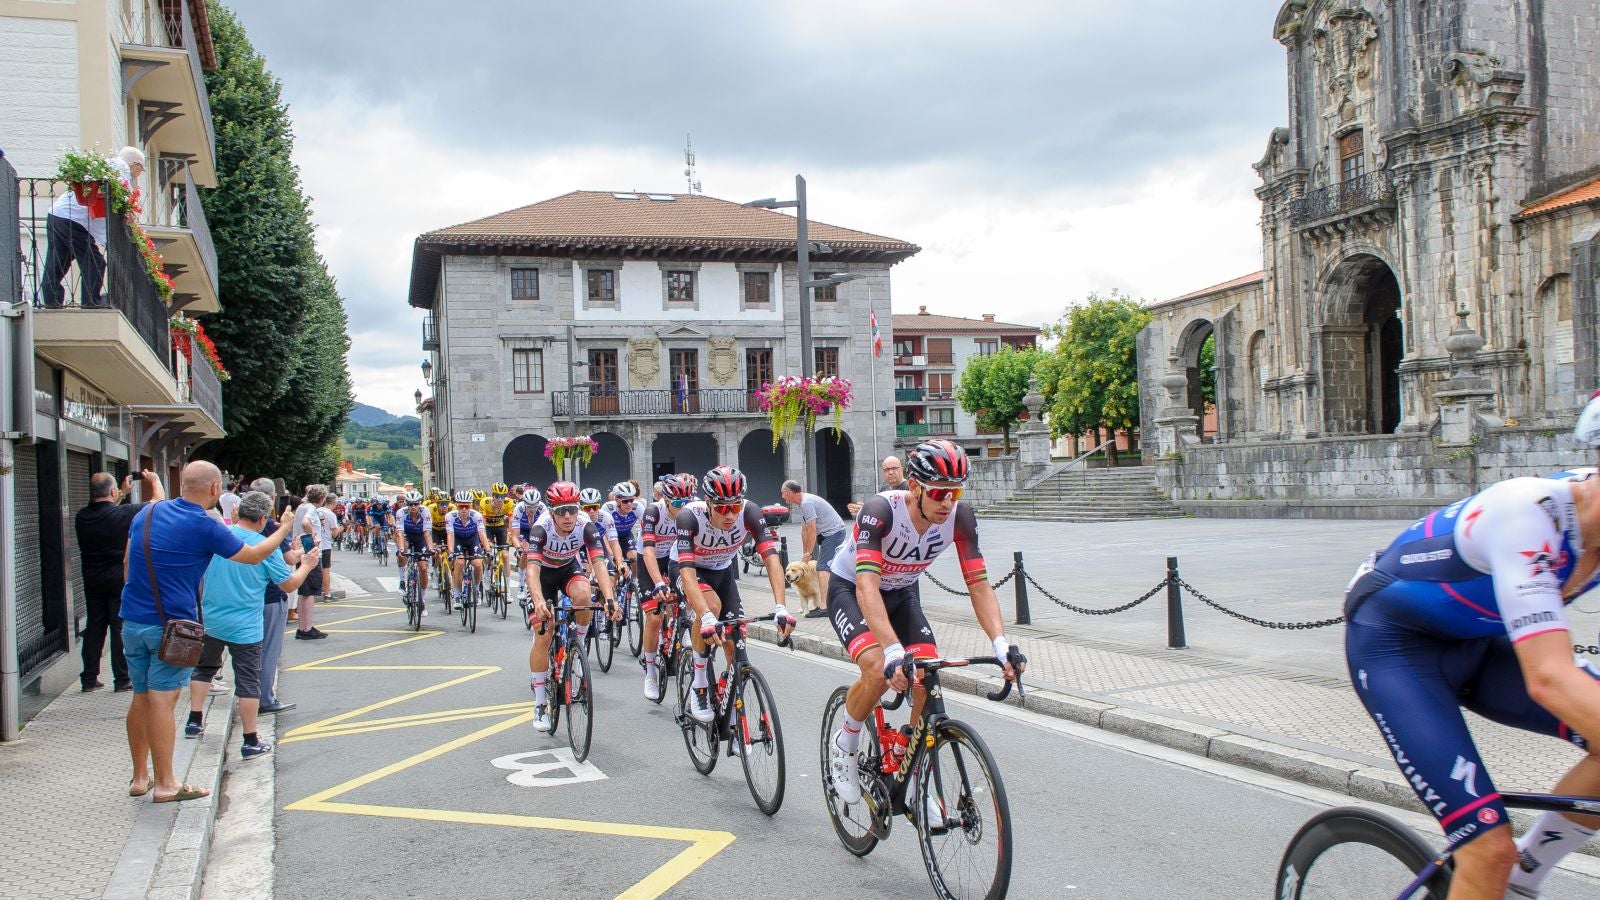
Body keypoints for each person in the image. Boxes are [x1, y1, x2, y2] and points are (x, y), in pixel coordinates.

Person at [1340, 399, 1600, 900]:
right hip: (1395, 647)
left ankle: (1524, 876)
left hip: (1480, 640)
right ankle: (1498, 866)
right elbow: (1549, 677)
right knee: (1486, 850)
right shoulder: (1530, 513)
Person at [823, 440, 1023, 813]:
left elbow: (978, 584)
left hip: (900, 594)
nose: (948, 502)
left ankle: (911, 770)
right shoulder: (881, 510)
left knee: (928, 670)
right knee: (877, 669)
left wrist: (1000, 643)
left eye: (955, 492)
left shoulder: (960, 518)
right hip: (851, 589)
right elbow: (867, 586)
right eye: (940, 493)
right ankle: (845, 743)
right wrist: (892, 651)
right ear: (914, 487)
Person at [120, 461, 295, 803]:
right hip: (170, 627)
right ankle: (166, 783)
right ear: (216, 489)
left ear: (183, 484)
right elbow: (254, 554)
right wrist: (283, 528)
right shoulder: (204, 525)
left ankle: (140, 776)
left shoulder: (148, 514)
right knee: (162, 699)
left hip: (132, 621)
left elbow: (132, 551)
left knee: (140, 696)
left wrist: (155, 483)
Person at [184, 491, 321, 758]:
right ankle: (249, 740)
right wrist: (306, 564)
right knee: (248, 682)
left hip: (212, 617)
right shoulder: (263, 547)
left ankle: (194, 720)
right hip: (245, 624)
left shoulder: (218, 536)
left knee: (204, 669)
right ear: (261, 519)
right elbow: (289, 584)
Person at [676, 466, 795, 723]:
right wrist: (706, 617)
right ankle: (699, 685)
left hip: (722, 571)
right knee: (711, 606)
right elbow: (686, 573)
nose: (730, 514)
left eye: (735, 507)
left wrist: (781, 607)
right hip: (691, 570)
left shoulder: (750, 512)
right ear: (707, 503)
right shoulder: (689, 517)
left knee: (736, 640)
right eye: (721, 508)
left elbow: (772, 559)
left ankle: (731, 703)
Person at [523, 482, 617, 731]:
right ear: (552, 511)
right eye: (561, 510)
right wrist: (539, 601)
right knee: (544, 634)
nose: (567, 516)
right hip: (543, 575)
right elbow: (531, 570)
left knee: (585, 595)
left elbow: (598, 562)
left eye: (572, 510)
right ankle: (541, 703)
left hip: (567, 569)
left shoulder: (586, 524)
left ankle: (579, 645)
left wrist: (609, 599)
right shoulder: (540, 528)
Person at [75, 469, 165, 691]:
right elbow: (158, 503)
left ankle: (88, 679)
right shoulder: (123, 515)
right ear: (113, 491)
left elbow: (106, 508)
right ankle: (122, 679)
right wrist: (154, 480)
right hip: (118, 578)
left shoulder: (82, 516)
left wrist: (122, 492)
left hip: (91, 578)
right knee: (118, 627)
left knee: (95, 626)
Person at [38, 146, 143, 308]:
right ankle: (90, 301)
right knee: (95, 261)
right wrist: (128, 213)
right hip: (73, 220)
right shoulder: (121, 166)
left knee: (58, 260)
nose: (139, 173)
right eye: (141, 169)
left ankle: (52, 301)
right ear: (135, 164)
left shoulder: (107, 165)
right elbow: (122, 199)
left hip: (59, 214)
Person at [637, 474, 693, 699]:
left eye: (686, 503)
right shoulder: (653, 512)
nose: (683, 508)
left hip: (676, 559)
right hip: (650, 559)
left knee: (689, 597)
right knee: (654, 618)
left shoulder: (692, 512)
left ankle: (683, 627)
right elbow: (648, 550)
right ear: (666, 501)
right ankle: (650, 671)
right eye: (678, 504)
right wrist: (659, 582)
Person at [249, 477, 300, 714]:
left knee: (249, 650)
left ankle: (249, 695)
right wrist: (305, 553)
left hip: (247, 596)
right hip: (270, 594)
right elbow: (288, 560)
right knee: (269, 649)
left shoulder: (238, 527)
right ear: (271, 499)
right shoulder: (271, 527)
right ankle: (265, 699)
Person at [782, 479, 849, 618]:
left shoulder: (806, 503)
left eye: (783, 493)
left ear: (789, 492)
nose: (782, 497)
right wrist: (805, 553)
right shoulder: (802, 504)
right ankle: (830, 603)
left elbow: (811, 530)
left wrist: (809, 552)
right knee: (827, 568)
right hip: (827, 534)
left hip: (834, 533)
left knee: (822, 568)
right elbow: (804, 529)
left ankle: (824, 607)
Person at [293, 485, 329, 640]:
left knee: (303, 592)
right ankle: (307, 628)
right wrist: (313, 537)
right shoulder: (311, 510)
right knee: (310, 593)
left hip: (300, 552)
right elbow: (306, 522)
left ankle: (302, 627)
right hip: (310, 553)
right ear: (321, 499)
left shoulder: (301, 506)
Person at [446, 489, 490, 609]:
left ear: (470, 506)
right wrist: (451, 552)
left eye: (466, 506)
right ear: (457, 506)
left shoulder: (476, 515)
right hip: (458, 540)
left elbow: (481, 533)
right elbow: (450, 534)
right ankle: (457, 594)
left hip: (472, 540)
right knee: (459, 562)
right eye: (461, 506)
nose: (464, 509)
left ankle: (476, 589)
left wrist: (488, 550)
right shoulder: (450, 516)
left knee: (478, 563)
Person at [394, 490, 433, 614]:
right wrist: (400, 549)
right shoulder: (401, 512)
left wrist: (431, 548)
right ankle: (402, 581)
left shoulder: (425, 511)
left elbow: (427, 533)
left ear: (419, 503)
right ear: (406, 504)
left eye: (416, 504)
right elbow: (399, 533)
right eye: (410, 504)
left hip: (421, 537)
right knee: (403, 551)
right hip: (406, 536)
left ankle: (422, 600)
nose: (413, 507)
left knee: (423, 567)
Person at [319, 494, 341, 601]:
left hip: (314, 543)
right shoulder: (331, 515)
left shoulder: (317, 510)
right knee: (325, 570)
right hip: (325, 545)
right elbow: (335, 534)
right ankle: (327, 594)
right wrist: (341, 529)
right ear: (333, 503)